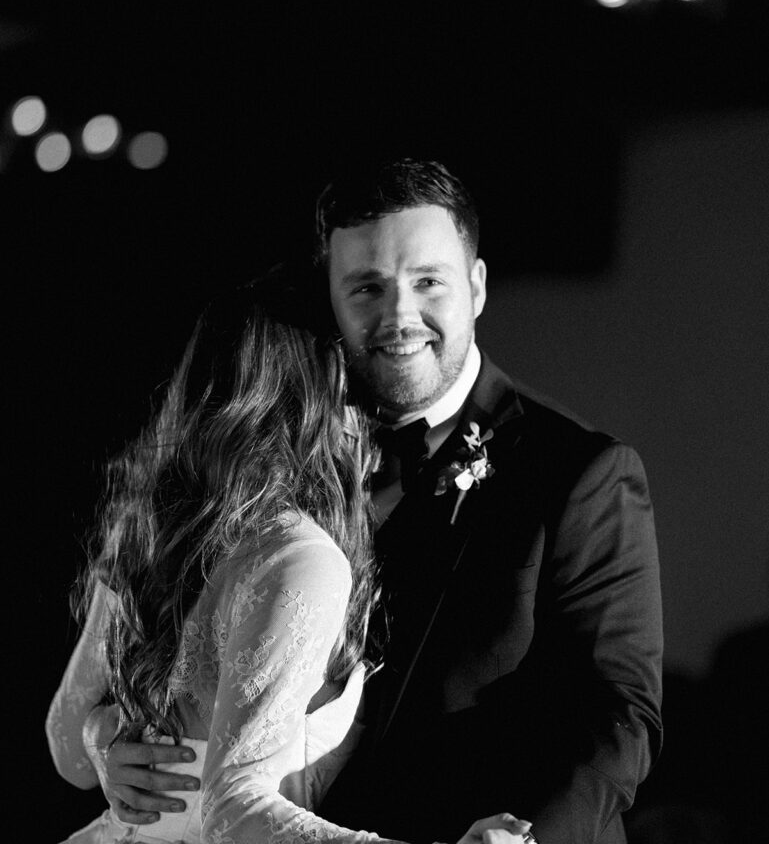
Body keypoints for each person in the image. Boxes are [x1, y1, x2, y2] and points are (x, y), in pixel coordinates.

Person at [79, 159, 664, 844]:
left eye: (426, 283)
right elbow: (171, 660)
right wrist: (112, 747)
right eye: (366, 287)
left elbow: (617, 713)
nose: (398, 316)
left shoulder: (581, 472)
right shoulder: (270, 458)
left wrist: (530, 837)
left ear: (474, 288)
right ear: (329, 299)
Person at [47, 279, 532, 844]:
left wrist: (100, 741)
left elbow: (65, 746)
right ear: (324, 383)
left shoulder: (150, 525)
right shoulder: (301, 559)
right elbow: (235, 809)